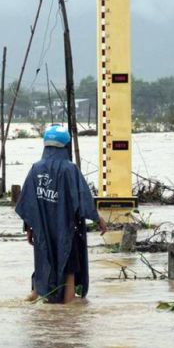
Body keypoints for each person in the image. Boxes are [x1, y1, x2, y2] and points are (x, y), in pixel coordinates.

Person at [15, 124, 107, 304]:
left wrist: (29, 228)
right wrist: (98, 219)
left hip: (43, 231)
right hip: (66, 231)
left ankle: (34, 296)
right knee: (69, 268)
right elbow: (83, 200)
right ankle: (67, 307)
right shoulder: (70, 169)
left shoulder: (35, 169)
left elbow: (28, 204)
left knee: (43, 263)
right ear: (65, 147)